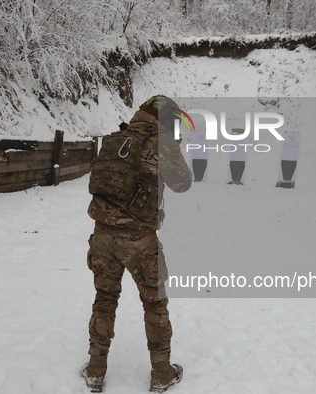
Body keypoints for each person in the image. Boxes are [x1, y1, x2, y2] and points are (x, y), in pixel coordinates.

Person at [82, 95, 192, 393]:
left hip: (102, 236)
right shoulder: (163, 143)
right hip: (141, 241)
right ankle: (161, 373)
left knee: (105, 299)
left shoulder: (115, 139)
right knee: (155, 303)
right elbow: (183, 183)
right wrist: (174, 147)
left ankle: (95, 370)